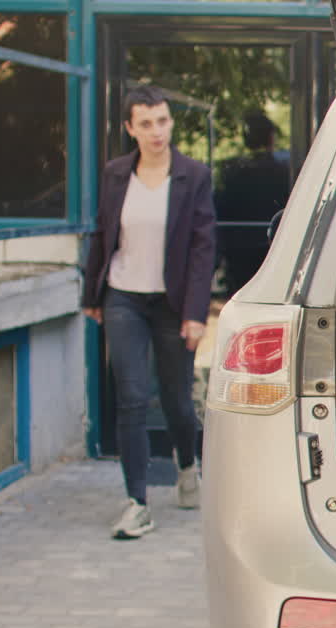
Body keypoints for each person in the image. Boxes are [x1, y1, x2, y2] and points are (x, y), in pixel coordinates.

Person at [81, 85, 216, 540]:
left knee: (177, 401)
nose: (156, 131)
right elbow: (102, 234)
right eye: (146, 123)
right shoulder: (117, 174)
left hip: (171, 303)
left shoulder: (193, 175)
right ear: (130, 128)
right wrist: (91, 296)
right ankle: (137, 502)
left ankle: (186, 466)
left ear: (170, 122)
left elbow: (203, 248)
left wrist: (197, 313)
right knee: (132, 397)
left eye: (162, 121)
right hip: (123, 298)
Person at [213, 110, 291, 295]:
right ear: (271, 138)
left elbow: (221, 208)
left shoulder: (230, 172)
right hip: (271, 249)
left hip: (238, 250)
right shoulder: (284, 172)